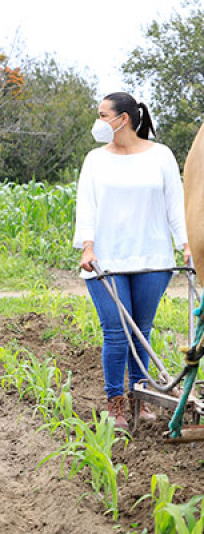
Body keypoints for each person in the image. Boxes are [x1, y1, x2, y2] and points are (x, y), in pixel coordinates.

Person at [73, 92, 190, 428]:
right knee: (115, 333)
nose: (97, 122)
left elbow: (174, 205)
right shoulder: (95, 160)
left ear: (121, 119)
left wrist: (185, 244)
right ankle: (116, 404)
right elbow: (87, 206)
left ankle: (141, 398)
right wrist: (88, 246)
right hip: (106, 262)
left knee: (142, 331)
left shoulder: (161, 156)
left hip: (153, 259)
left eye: (101, 115)